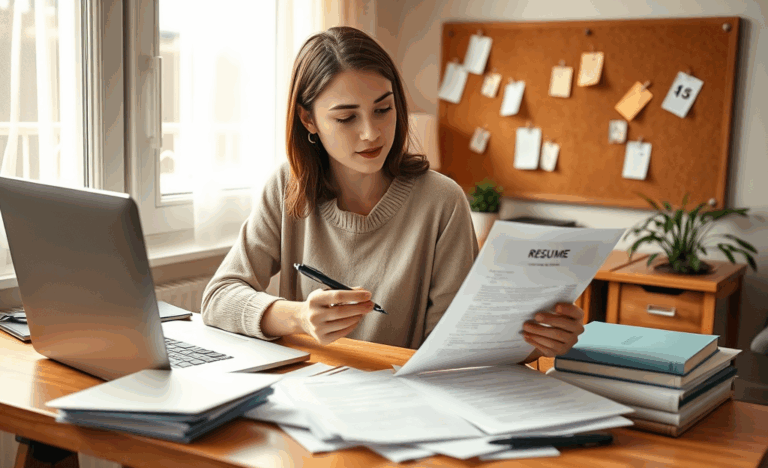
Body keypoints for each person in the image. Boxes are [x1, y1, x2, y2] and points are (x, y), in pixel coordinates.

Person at [201, 26, 584, 362]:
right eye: (346, 117)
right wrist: (299, 316)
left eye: (383, 109)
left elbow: (455, 346)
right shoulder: (288, 187)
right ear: (308, 119)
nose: (371, 133)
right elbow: (218, 298)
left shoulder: (442, 201)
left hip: (404, 399)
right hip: (303, 397)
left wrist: (538, 342)